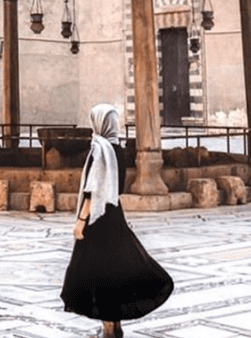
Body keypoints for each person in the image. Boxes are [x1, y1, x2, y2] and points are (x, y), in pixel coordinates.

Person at [60, 103, 174, 336]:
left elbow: (94, 190)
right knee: (115, 270)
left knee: (97, 273)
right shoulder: (116, 149)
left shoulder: (100, 149)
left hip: (98, 219)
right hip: (115, 215)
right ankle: (115, 325)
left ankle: (109, 328)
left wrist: (80, 221)